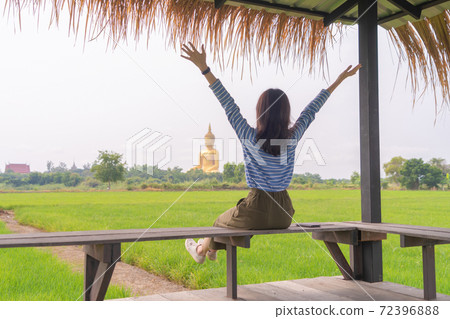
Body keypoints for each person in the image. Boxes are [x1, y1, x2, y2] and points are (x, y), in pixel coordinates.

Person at [181, 42, 361, 264]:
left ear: (260, 111)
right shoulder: (292, 138)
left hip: (257, 206)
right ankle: (210, 250)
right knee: (231, 219)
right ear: (286, 113)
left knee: (220, 221)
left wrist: (204, 69)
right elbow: (312, 109)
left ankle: (201, 250)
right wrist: (339, 81)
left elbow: (228, 104)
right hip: (285, 212)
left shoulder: (249, 136)